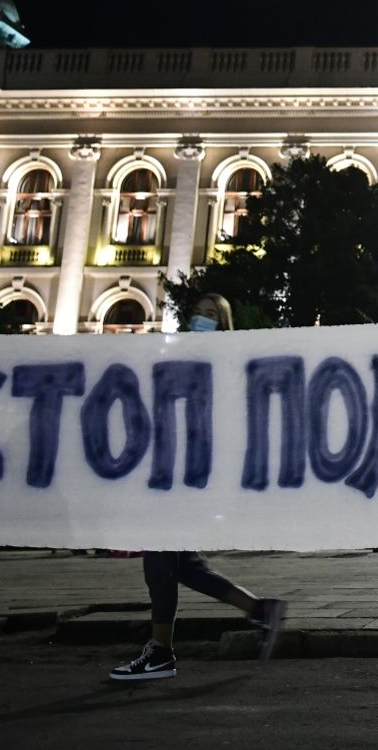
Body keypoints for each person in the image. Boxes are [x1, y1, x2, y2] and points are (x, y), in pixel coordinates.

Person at [110, 292, 288, 682]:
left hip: (191, 477)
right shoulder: (175, 356)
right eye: (199, 313)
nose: (203, 320)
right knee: (183, 565)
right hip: (169, 473)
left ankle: (161, 652)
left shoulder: (223, 364)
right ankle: (260, 611)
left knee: (159, 560)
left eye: (213, 315)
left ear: (223, 325)